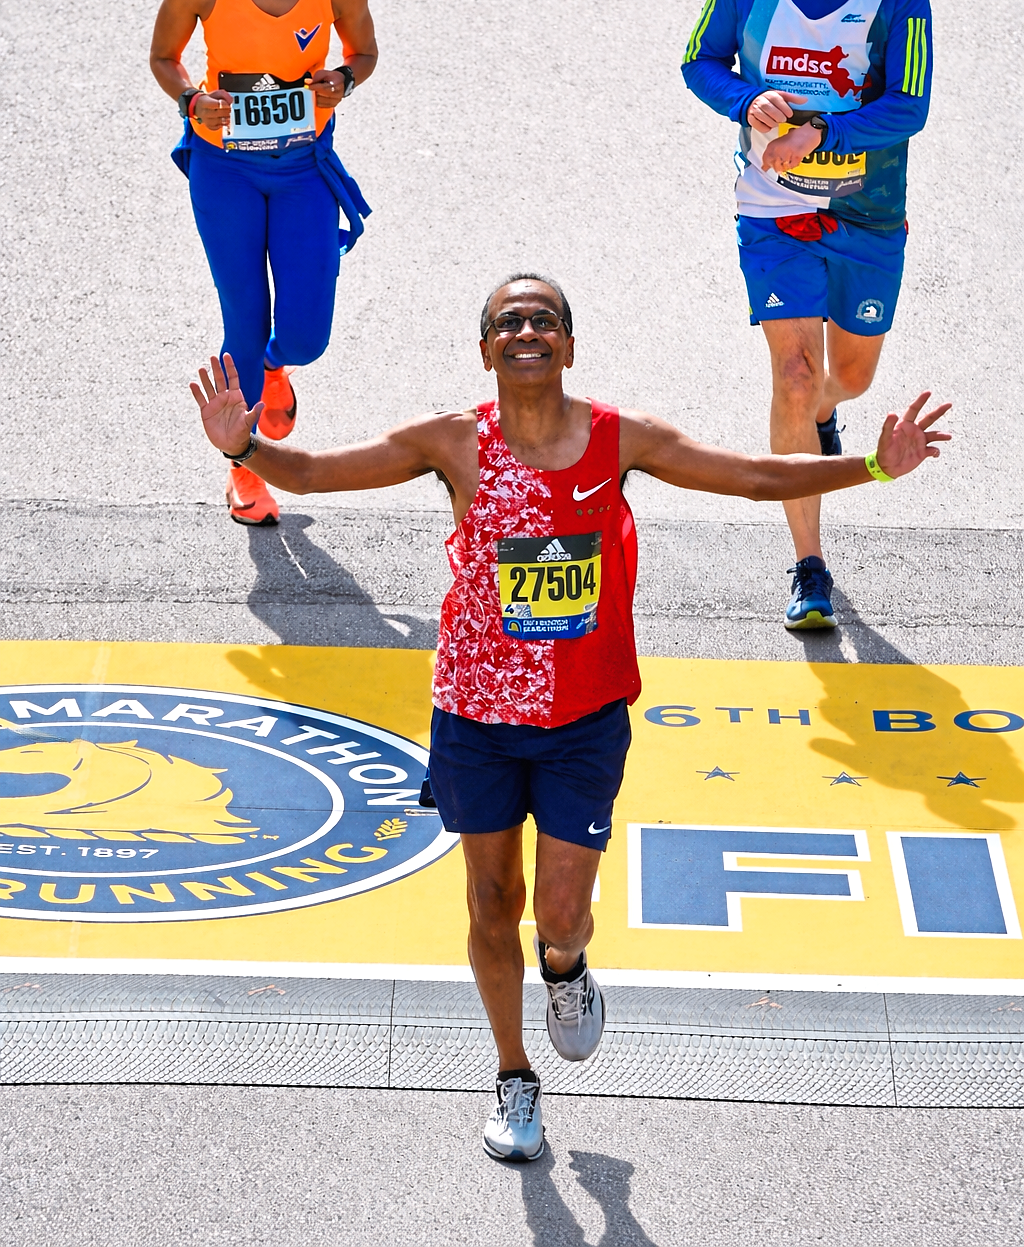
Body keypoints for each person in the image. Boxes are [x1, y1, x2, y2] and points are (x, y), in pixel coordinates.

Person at [189, 272, 950, 1160]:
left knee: (557, 912)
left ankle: (566, 967)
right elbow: (316, 472)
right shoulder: (453, 441)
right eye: (508, 321)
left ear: (569, 345)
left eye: (543, 320)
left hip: (584, 717)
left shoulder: (616, 438)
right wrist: (246, 449)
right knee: (488, 900)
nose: (526, 330)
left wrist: (868, 466)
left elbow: (747, 476)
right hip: (474, 716)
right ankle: (514, 1076)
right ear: (485, 350)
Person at [681, 0, 933, 630]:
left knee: (844, 381)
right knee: (793, 376)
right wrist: (747, 99)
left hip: (866, 210)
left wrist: (822, 128)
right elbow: (699, 62)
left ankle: (822, 421)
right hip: (770, 208)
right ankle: (809, 566)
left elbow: (911, 104)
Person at [151, 0, 377, 526]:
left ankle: (276, 370)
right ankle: (245, 470)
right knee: (242, 321)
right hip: (225, 171)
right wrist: (192, 97)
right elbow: (163, 57)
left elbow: (365, 52)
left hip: (304, 168)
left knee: (305, 335)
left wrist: (341, 80)